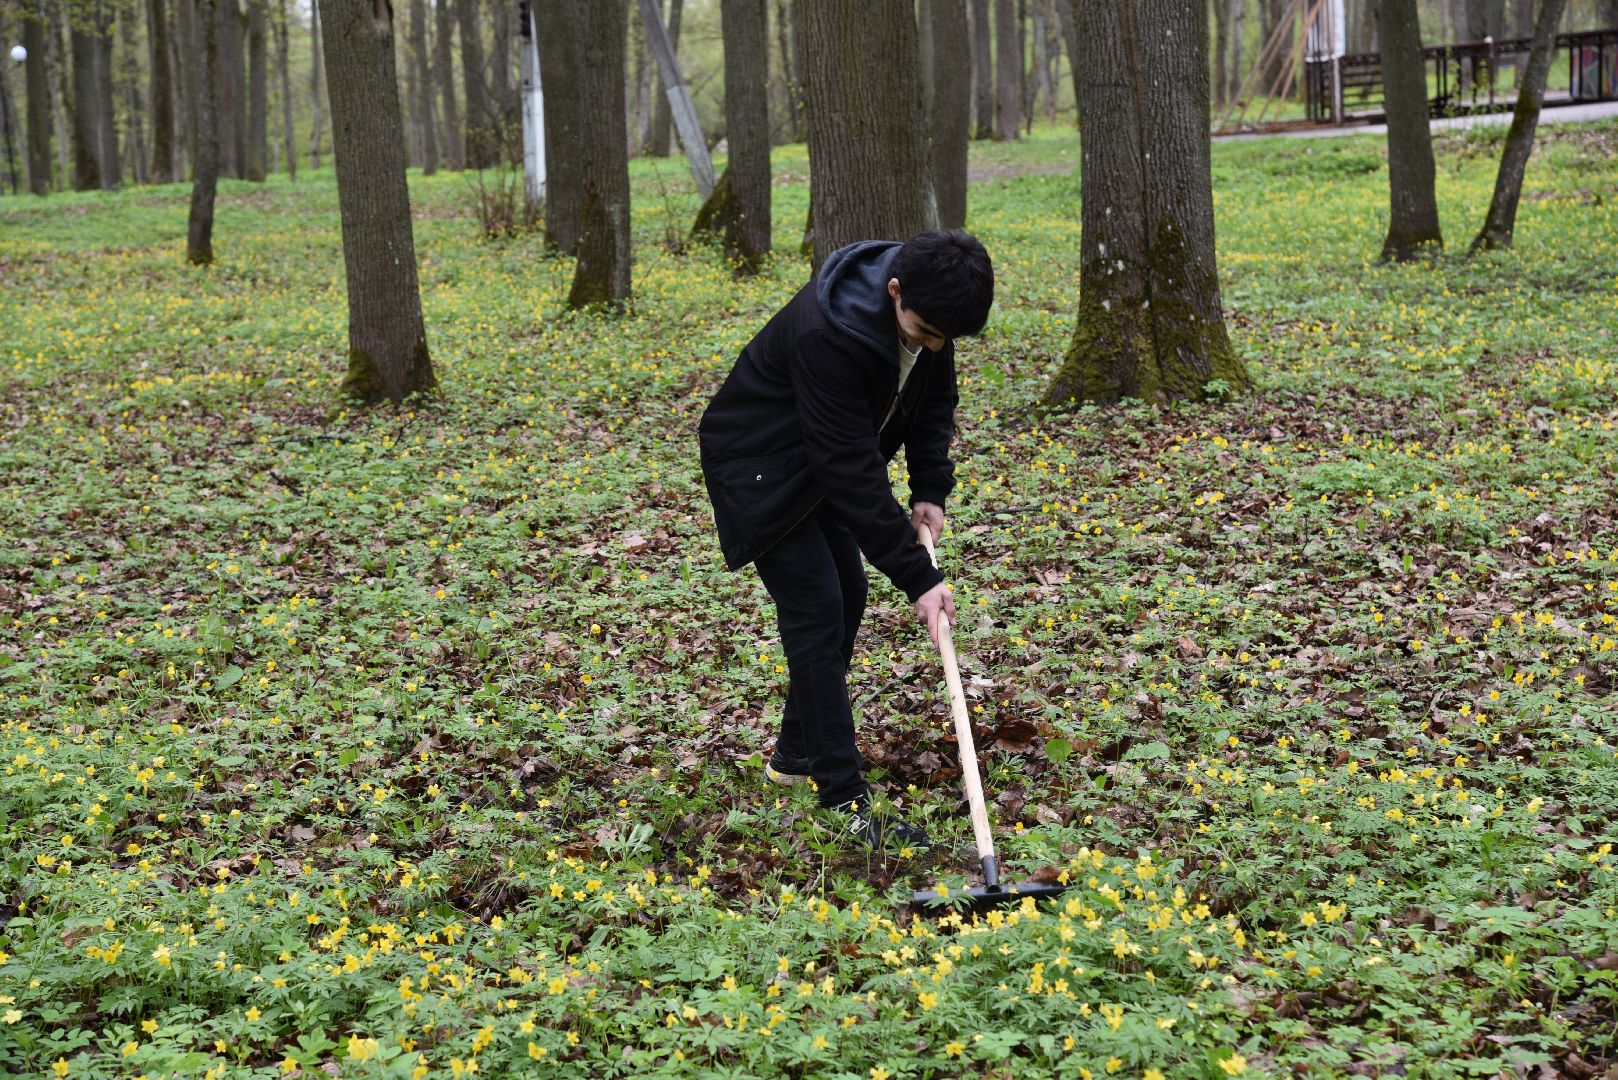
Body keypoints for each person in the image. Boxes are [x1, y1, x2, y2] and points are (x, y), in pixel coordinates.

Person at [697, 229, 995, 851]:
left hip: (816, 460)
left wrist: (930, 488)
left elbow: (933, 400)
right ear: (893, 292)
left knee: (848, 593)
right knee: (816, 609)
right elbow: (849, 467)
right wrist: (918, 575)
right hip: (760, 466)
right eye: (924, 333)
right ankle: (842, 798)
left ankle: (795, 756)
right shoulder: (827, 333)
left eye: (947, 338)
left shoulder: (931, 303)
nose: (935, 346)